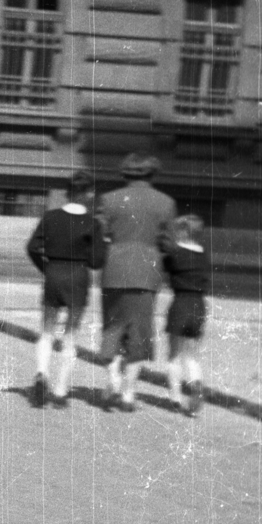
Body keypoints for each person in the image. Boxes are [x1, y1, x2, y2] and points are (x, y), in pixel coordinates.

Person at [96, 154, 177, 412]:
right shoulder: (166, 203)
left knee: (112, 327)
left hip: (114, 270)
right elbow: (170, 244)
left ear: (125, 173)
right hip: (146, 272)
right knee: (140, 334)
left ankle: (113, 380)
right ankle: (129, 394)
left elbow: (100, 234)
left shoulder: (109, 199)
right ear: (152, 174)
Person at [25, 171, 102, 408]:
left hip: (53, 274)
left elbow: (32, 247)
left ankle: (41, 372)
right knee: (70, 336)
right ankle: (59, 391)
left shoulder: (50, 217)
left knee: (46, 330)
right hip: (77, 277)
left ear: (67, 192)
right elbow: (97, 261)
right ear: (89, 194)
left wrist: (46, 268)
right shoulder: (92, 223)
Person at [162, 213, 210, 416]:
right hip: (199, 305)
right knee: (191, 356)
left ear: (182, 232)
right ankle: (196, 384)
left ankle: (175, 398)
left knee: (173, 355)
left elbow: (165, 269)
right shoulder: (204, 255)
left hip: (180, 303)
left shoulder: (176, 254)